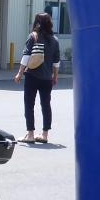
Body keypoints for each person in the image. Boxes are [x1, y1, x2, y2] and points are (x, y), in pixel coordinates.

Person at [13, 11, 60, 143]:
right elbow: (56, 61)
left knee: (29, 105)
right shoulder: (55, 40)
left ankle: (30, 134)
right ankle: (44, 135)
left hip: (32, 76)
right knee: (46, 105)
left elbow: (26, 56)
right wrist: (55, 76)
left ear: (37, 23)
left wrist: (20, 73)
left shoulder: (33, 36)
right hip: (47, 78)